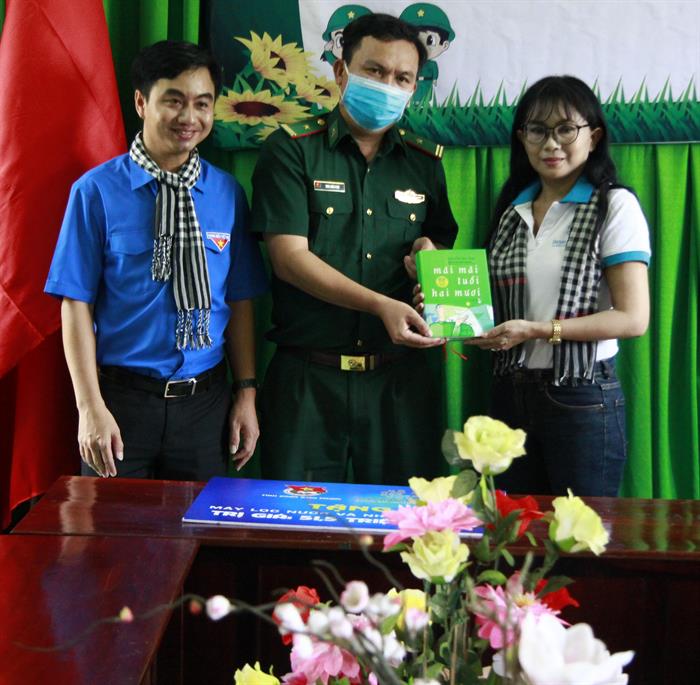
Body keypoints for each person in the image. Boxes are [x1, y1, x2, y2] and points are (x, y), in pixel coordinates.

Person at [45, 41, 268, 480]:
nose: (189, 117)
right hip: (121, 402)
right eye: (174, 101)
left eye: (202, 103)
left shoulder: (227, 193)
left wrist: (246, 393)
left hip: (205, 405)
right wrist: (89, 408)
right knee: (111, 522)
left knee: (197, 523)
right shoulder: (95, 192)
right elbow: (75, 304)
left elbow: (239, 300)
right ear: (141, 102)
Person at [251, 13, 458, 485]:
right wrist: (381, 304)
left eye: (402, 78)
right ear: (342, 71)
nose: (388, 86)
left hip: (399, 382)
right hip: (309, 379)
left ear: (415, 87)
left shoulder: (425, 163)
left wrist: (428, 255)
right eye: (374, 71)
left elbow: (438, 242)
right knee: (295, 520)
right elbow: (288, 259)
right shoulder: (292, 150)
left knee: (405, 522)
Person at [470, 75, 650, 496]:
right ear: (522, 138)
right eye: (537, 130)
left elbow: (633, 319)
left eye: (566, 129)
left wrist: (536, 330)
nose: (551, 144)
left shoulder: (613, 205)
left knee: (581, 530)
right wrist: (441, 296)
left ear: (594, 136)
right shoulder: (512, 210)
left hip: (581, 396)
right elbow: (492, 303)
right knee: (512, 528)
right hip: (509, 393)